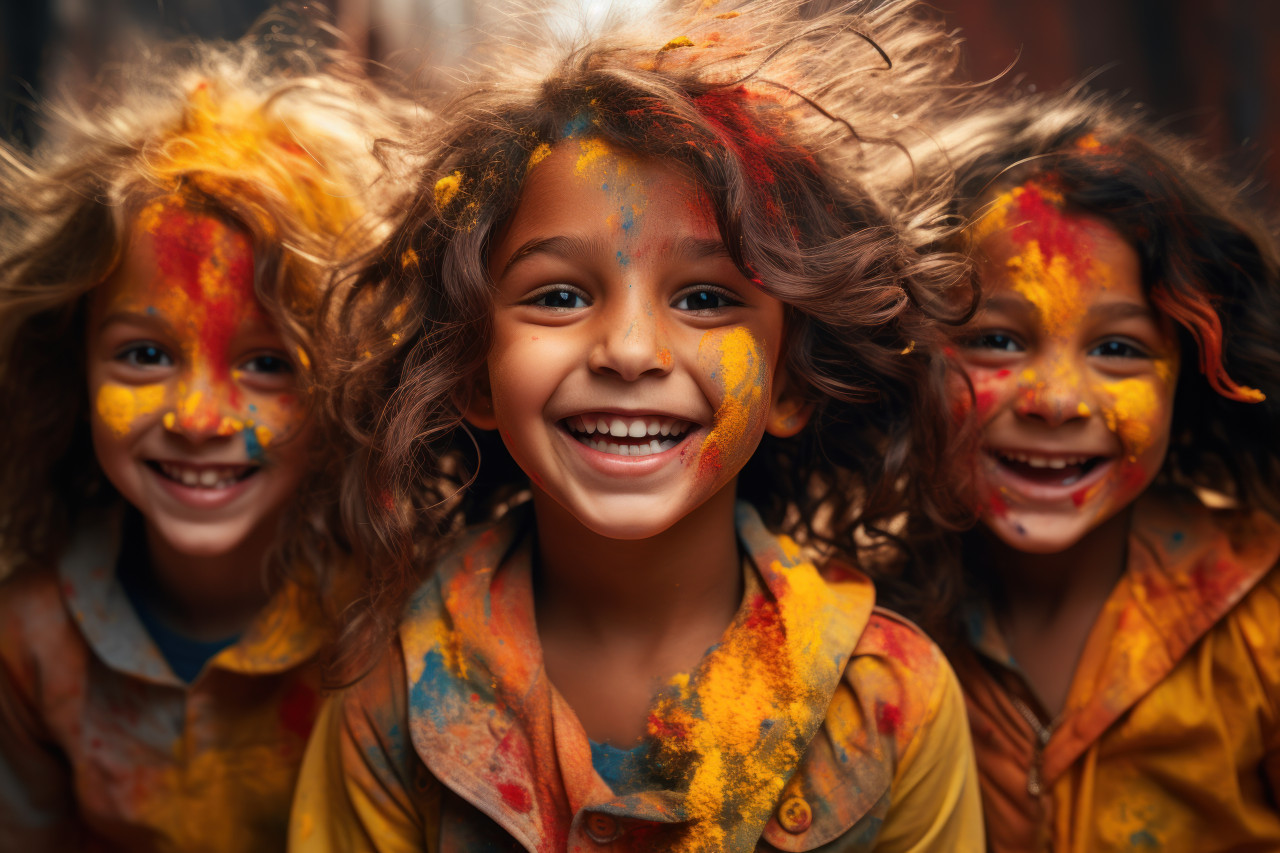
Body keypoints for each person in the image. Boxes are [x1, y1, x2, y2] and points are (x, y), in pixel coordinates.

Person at [290, 1, 986, 850]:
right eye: (559, 295)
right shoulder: (390, 688)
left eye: (703, 298)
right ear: (472, 366)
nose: (628, 349)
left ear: (790, 382)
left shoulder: (892, 702)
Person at [0, 31, 407, 852]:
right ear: (69, 365)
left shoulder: (392, 624)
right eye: (145, 354)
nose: (197, 416)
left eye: (266, 363)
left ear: (348, 384)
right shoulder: (30, 637)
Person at [939, 92, 1280, 851]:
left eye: (1118, 348)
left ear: (1187, 376)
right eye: (997, 339)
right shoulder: (878, 624)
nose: (1057, 400)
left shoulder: (1263, 622)